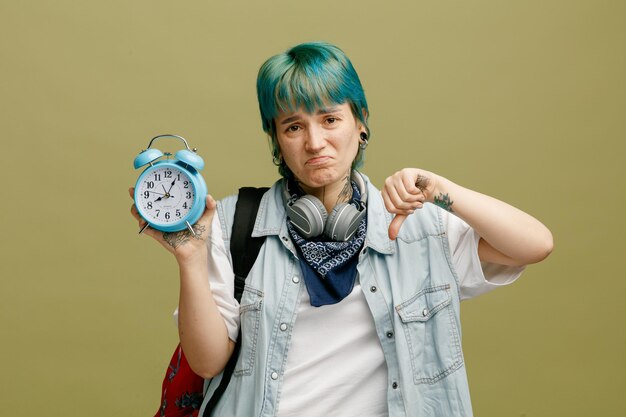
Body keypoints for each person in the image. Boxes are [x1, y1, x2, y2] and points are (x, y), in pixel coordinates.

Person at [130, 41, 553, 417]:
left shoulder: (416, 224)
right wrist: (190, 258)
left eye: (330, 119)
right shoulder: (234, 222)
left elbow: (534, 245)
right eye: (294, 126)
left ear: (360, 123)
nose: (314, 142)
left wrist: (442, 190)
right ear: (277, 140)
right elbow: (206, 363)